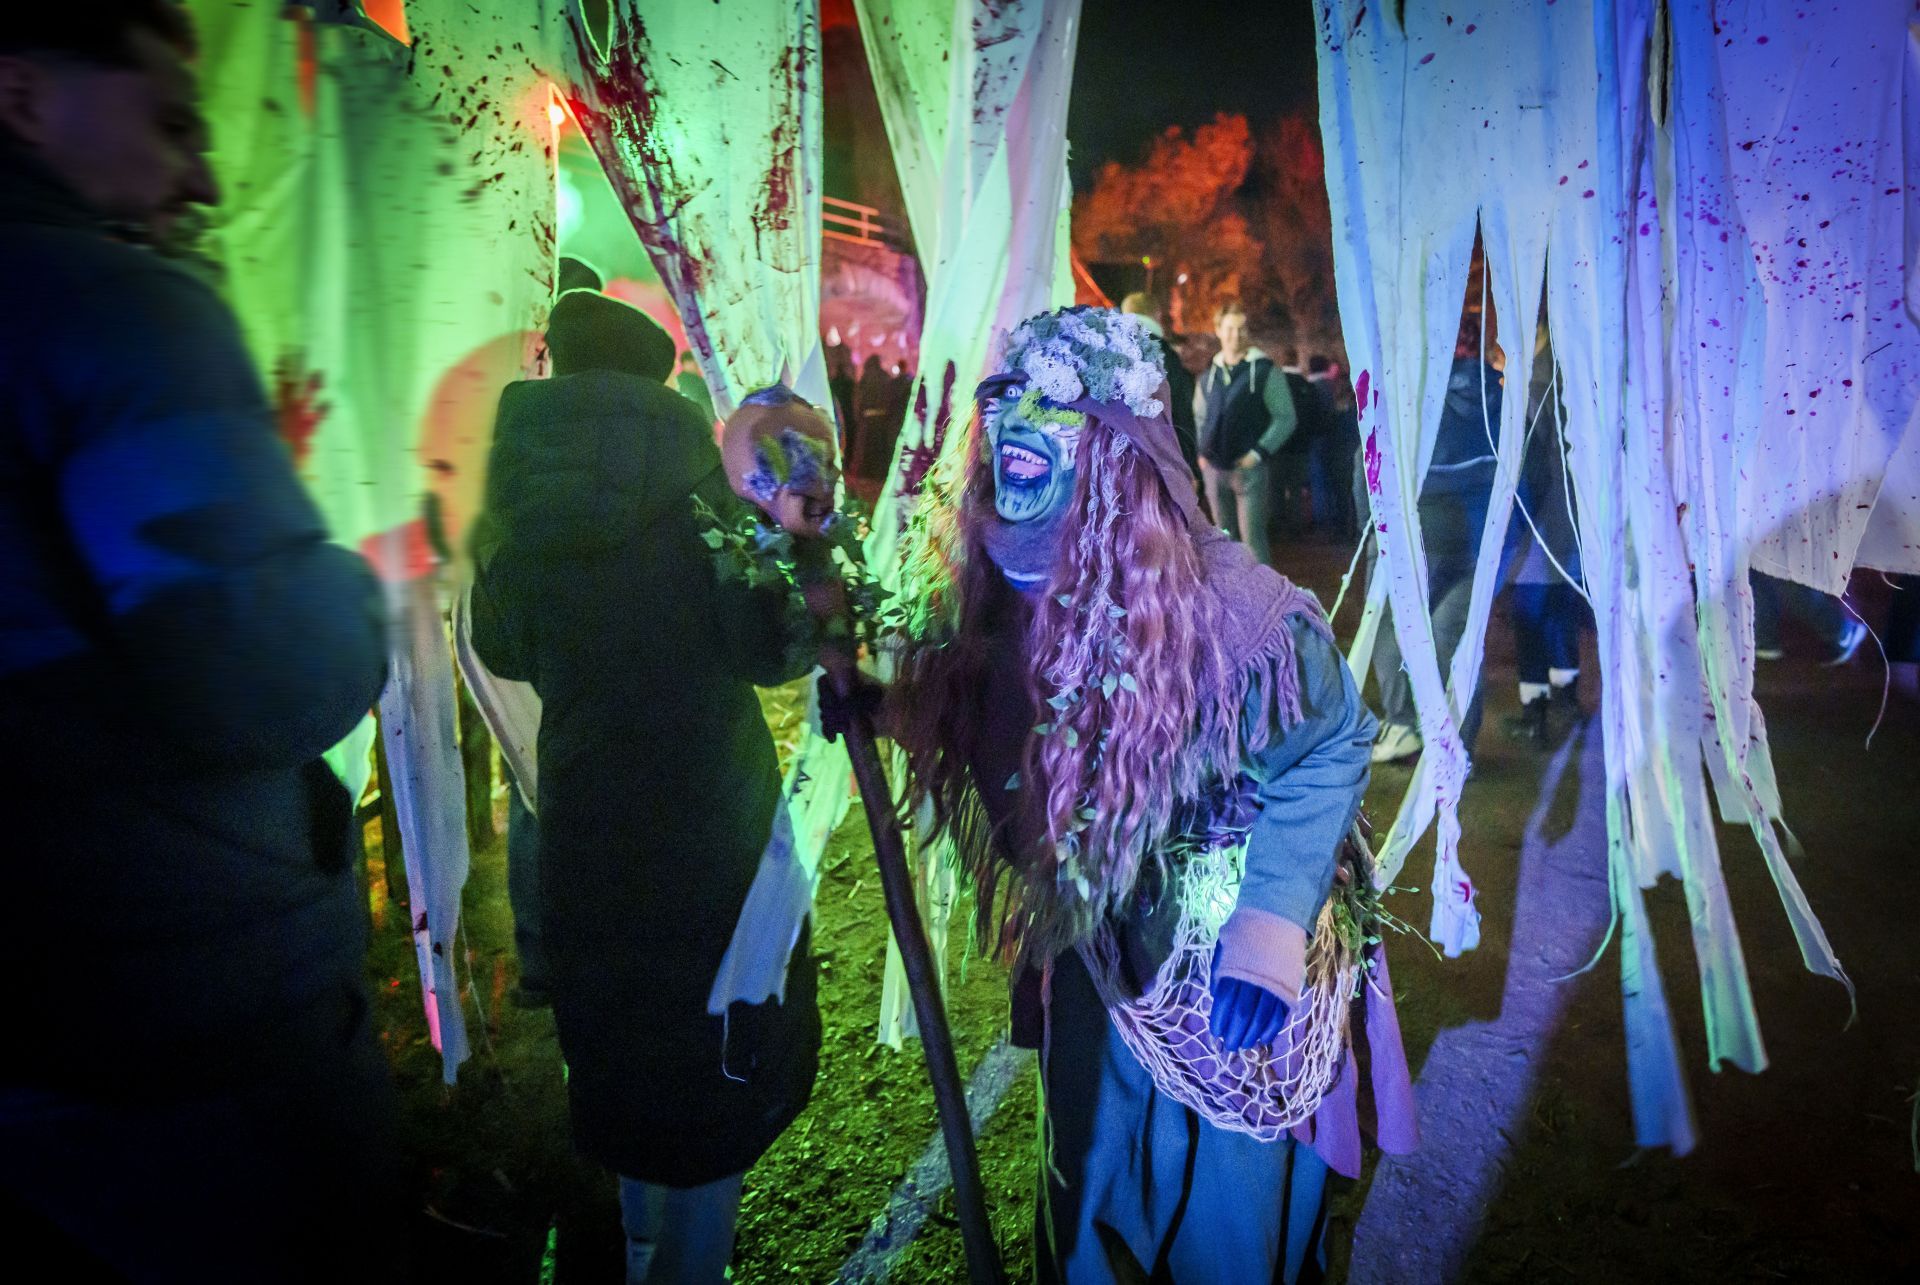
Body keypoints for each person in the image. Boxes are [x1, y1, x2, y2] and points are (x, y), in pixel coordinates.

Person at [0, 6, 405, 1277]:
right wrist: (350, 580)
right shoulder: (115, 304)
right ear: (22, 95)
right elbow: (266, 675)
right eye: (172, 120)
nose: (206, 173)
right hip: (190, 1001)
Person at [889, 306, 1411, 1283]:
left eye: (1053, 404)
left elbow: (1335, 743)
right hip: (1096, 954)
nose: (1018, 426)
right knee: (1087, 1191)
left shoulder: (1238, 615)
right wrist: (900, 694)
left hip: (1227, 983)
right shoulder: (1007, 588)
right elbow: (996, 726)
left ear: (1118, 465)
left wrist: (1270, 921)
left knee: (1227, 1231)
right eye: (1007, 400)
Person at [469, 289, 823, 1284]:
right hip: (711, 820)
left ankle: (638, 1251)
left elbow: (501, 642)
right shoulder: (706, 495)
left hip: (586, 809)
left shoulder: (517, 498)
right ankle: (686, 1266)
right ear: (660, 378)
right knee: (713, 1051)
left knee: (624, 1052)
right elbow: (771, 648)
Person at [1369, 333, 1503, 764]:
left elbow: (1366, 465)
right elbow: (1527, 469)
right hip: (1477, 544)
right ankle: (1456, 746)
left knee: (1397, 630)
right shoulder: (1491, 404)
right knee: (1453, 641)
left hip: (1417, 541)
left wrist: (1370, 533)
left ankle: (1408, 725)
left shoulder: (1400, 403)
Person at [1502, 330, 1588, 744]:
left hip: (1535, 523)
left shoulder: (1529, 394)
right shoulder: (1577, 386)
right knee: (1560, 610)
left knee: (1528, 615)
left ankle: (1535, 712)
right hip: (1571, 522)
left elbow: (1524, 466)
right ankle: (1568, 698)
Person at [1194, 299, 1298, 567]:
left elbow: (1285, 417)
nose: (1234, 335)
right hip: (1214, 469)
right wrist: (1201, 454)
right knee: (1223, 540)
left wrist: (1258, 452)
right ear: (1218, 329)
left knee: (1253, 542)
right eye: (1229, 328)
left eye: (1241, 329)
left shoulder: (1265, 371)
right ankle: (1232, 598)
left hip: (1249, 470)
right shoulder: (1208, 375)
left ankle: (1263, 601)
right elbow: (1200, 417)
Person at [1120, 289, 1202, 495]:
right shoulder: (1166, 355)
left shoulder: (1110, 351)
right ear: (1156, 316)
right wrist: (1189, 467)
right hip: (1157, 462)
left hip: (1116, 459)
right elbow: (1180, 415)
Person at [1306, 354, 1358, 541]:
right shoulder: (1352, 410)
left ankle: (1342, 528)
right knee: (1346, 492)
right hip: (1345, 452)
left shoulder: (1324, 395)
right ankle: (1348, 528)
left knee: (1340, 491)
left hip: (1336, 451)